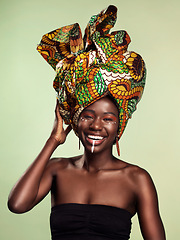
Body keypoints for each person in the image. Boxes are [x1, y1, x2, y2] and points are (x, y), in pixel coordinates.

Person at [8, 5, 166, 240]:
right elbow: (17, 204)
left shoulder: (136, 179)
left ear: (119, 125)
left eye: (108, 119)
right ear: (75, 118)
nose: (96, 126)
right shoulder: (57, 169)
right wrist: (53, 140)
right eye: (87, 115)